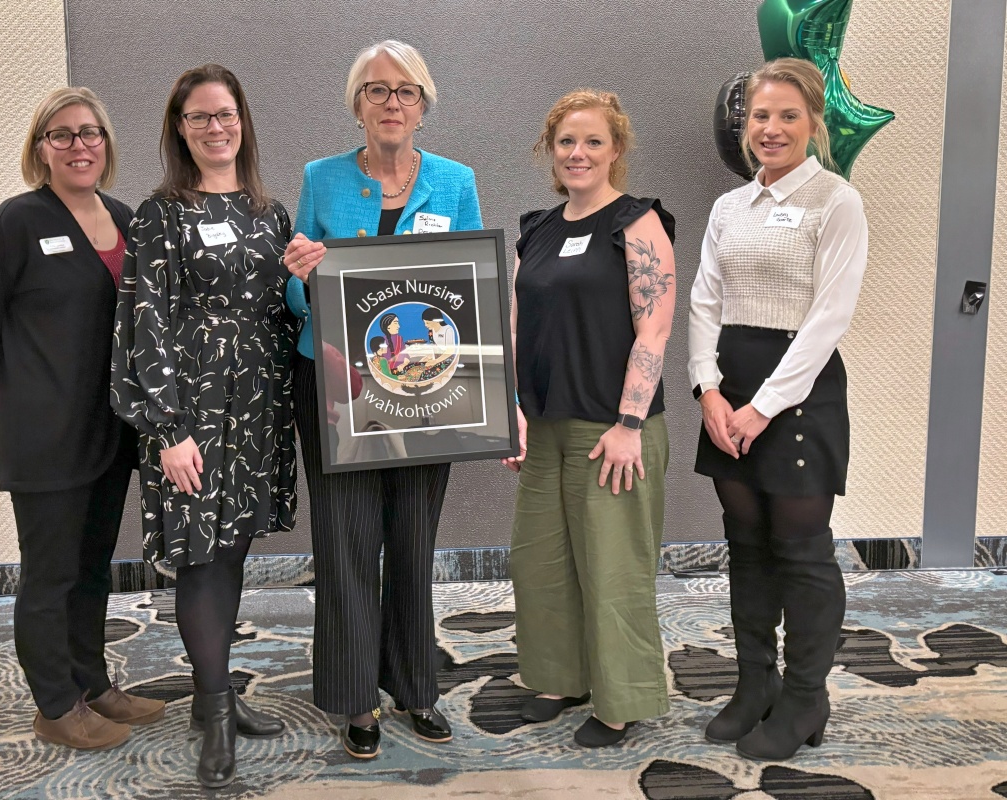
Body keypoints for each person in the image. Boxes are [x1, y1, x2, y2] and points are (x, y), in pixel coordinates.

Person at [110, 64, 323, 788]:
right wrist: (168, 431)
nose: (215, 127)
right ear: (179, 128)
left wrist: (308, 277)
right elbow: (146, 322)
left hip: (258, 405)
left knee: (229, 549)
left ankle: (216, 696)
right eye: (199, 117)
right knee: (199, 556)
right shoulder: (158, 213)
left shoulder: (270, 212)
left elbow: (290, 312)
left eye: (225, 114)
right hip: (192, 411)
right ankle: (215, 717)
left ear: (243, 121)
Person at [283, 39, 482, 759]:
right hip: (337, 385)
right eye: (376, 90)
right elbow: (291, 290)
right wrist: (300, 275)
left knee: (411, 538)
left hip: (431, 391)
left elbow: (472, 290)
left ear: (423, 105)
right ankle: (355, 695)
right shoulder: (321, 178)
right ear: (357, 104)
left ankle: (416, 685)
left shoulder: (456, 182)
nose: (391, 102)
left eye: (405, 91)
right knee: (344, 540)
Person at [0, 87, 165, 750]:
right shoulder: (16, 223)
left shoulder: (125, 218)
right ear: (40, 149)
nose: (79, 146)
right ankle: (54, 705)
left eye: (90, 133)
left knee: (94, 566)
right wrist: (12, 389)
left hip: (110, 429)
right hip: (45, 430)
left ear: (106, 144)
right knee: (49, 573)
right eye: (63, 134)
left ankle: (92, 684)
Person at [687, 57, 868, 761]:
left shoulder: (836, 201)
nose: (771, 129)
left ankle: (804, 698)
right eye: (760, 116)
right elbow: (705, 300)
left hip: (796, 395)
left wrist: (760, 408)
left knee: (802, 552)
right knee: (747, 546)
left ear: (812, 122)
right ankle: (753, 684)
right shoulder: (729, 207)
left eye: (788, 115)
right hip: (728, 392)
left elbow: (829, 318)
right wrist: (707, 390)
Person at [504, 89, 676, 748]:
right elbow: (522, 327)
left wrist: (630, 423)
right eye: (567, 141)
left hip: (613, 430)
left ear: (616, 150)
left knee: (612, 569)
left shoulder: (637, 223)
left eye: (593, 141)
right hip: (545, 426)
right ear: (551, 150)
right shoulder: (536, 230)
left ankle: (619, 700)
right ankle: (558, 677)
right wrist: (516, 414)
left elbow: (654, 331)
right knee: (539, 561)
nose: (578, 153)